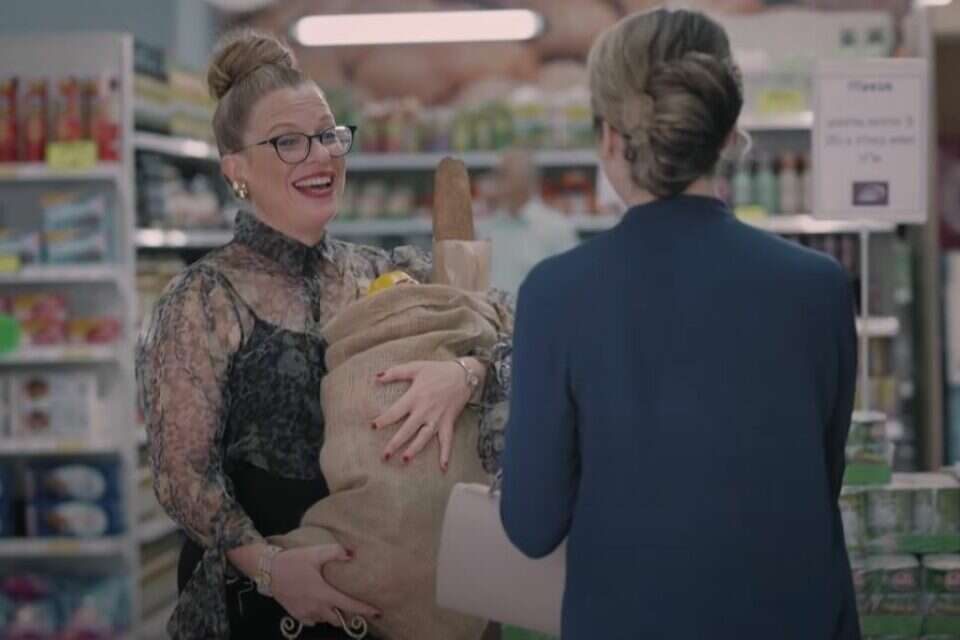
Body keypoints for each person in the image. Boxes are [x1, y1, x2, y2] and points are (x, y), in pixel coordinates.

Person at [136, 30, 512, 640]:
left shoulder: (384, 273)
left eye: (328, 135)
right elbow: (182, 478)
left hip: (391, 603)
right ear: (236, 169)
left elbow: (504, 324)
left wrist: (464, 374)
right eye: (288, 142)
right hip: (258, 606)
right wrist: (272, 568)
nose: (320, 157)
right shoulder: (203, 300)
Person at [499, 9, 860, 640]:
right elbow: (814, 481)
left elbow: (532, 526)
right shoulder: (819, 288)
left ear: (610, 138)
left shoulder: (556, 296)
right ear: (726, 133)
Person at [480, 150, 578, 297]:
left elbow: (571, 284)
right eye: (497, 174)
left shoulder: (557, 229)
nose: (496, 181)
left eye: (504, 174)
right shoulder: (484, 229)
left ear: (527, 179)